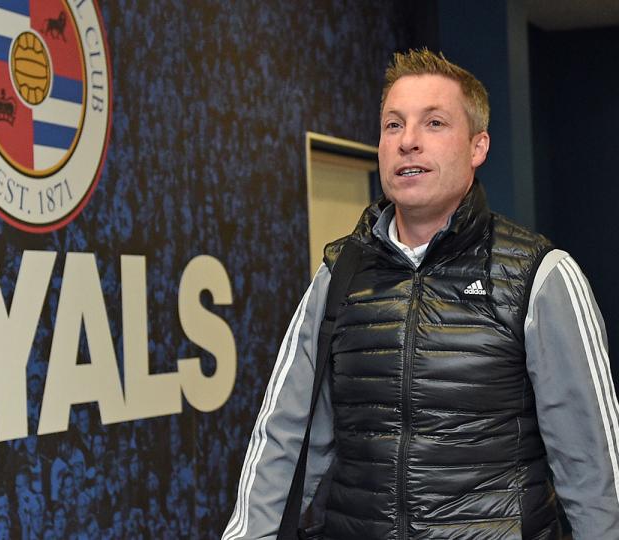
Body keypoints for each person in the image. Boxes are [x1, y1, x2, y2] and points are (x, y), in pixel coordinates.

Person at [223, 49, 619, 539]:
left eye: (434, 123)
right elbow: (283, 438)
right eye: (393, 125)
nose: (408, 141)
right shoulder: (338, 274)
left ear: (477, 147)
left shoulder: (540, 275)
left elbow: (594, 472)